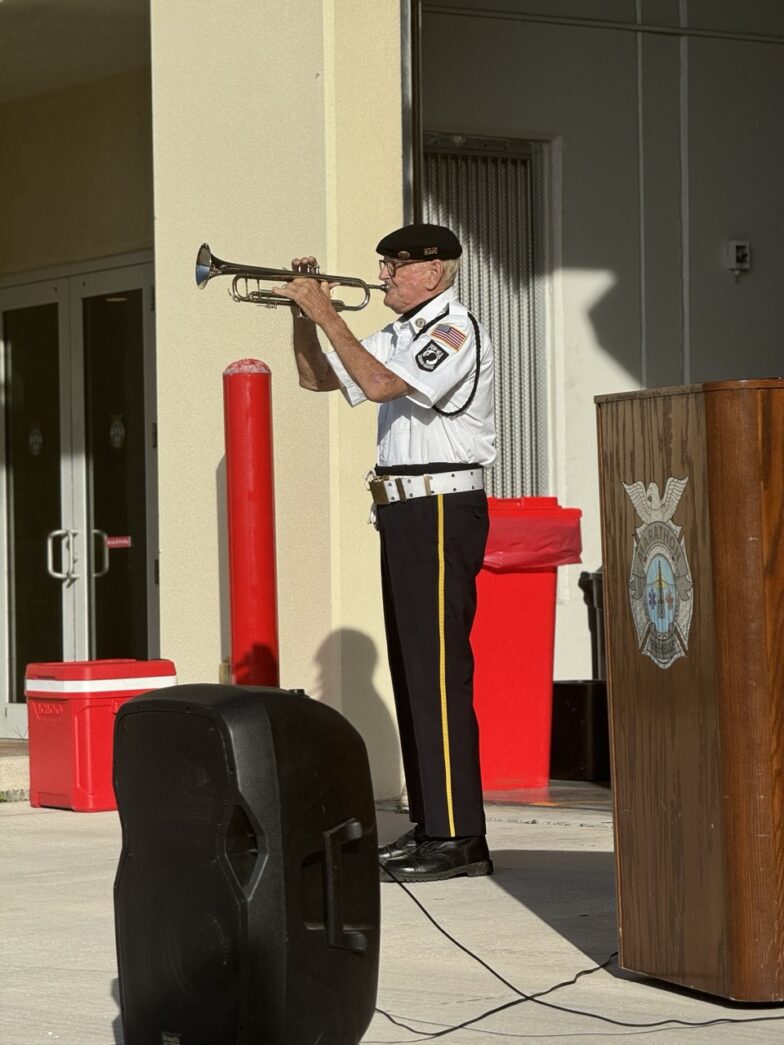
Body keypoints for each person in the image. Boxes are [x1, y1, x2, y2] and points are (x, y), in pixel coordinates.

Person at [274, 223, 496, 883]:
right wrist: (304, 318)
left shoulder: (452, 330)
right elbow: (320, 378)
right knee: (412, 672)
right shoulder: (403, 332)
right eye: (385, 264)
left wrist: (326, 311)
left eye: (396, 265)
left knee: (437, 673)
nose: (384, 274)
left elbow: (375, 385)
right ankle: (433, 826)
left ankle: (461, 835)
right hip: (402, 506)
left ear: (433, 270)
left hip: (438, 505)